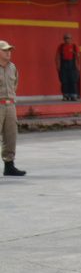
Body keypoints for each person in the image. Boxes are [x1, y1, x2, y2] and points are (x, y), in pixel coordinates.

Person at [0, 40, 26, 176]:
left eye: (9, 50)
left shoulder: (13, 67)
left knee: (11, 135)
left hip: (10, 105)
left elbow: (15, 83)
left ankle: (9, 166)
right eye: (5, 50)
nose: (8, 52)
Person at [56, 33, 79, 101]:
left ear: (71, 39)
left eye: (68, 38)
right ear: (63, 39)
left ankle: (73, 95)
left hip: (72, 65)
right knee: (64, 81)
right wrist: (58, 66)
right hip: (64, 65)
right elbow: (57, 56)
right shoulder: (61, 46)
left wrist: (78, 67)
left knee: (73, 80)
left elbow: (78, 56)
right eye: (65, 38)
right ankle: (65, 95)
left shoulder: (74, 46)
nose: (67, 39)